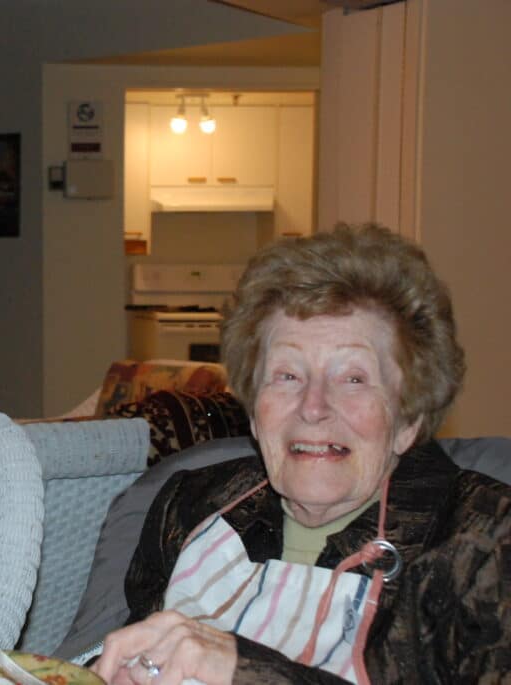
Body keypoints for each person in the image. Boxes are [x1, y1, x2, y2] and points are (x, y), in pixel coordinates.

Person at [93, 224, 510, 683]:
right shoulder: (190, 505)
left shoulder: (485, 541)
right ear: (254, 410)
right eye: (287, 375)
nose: (313, 408)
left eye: (352, 379)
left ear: (408, 419)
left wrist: (244, 669)